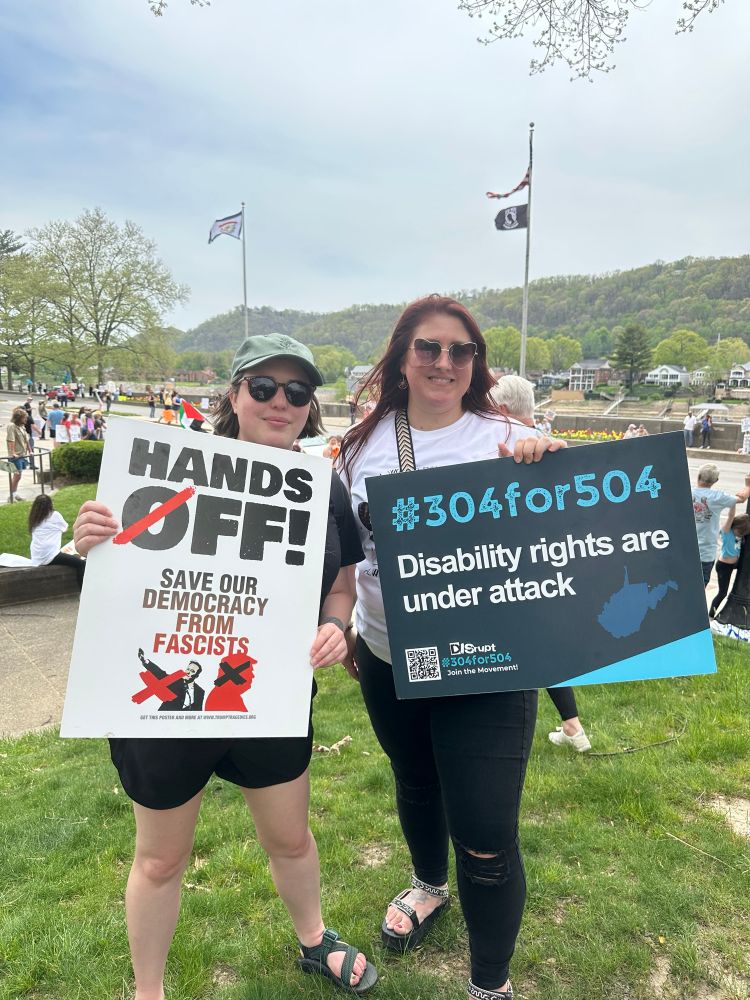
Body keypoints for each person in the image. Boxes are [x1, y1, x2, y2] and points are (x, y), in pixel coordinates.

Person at [72, 333, 377, 1000]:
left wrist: (335, 622)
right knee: (160, 859)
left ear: (310, 405)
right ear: (233, 396)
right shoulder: (169, 470)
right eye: (263, 387)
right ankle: (147, 991)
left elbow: (344, 585)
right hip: (164, 705)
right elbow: (120, 570)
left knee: (291, 841)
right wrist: (92, 536)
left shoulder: (322, 487)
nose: (280, 401)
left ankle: (313, 940)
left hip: (268, 695)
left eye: (297, 391)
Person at [338, 295, 565, 1000]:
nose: (444, 362)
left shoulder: (506, 435)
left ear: (476, 363)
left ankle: (488, 987)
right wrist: (345, 626)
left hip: (489, 666)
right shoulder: (359, 447)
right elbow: (348, 557)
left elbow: (568, 533)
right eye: (428, 348)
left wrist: (549, 463)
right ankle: (428, 884)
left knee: (489, 839)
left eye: (459, 350)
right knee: (415, 779)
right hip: (385, 654)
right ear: (402, 358)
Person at [491, 375, 591, 754]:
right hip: (549, 574)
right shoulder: (542, 451)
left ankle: (572, 726)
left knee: (537, 653)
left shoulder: (524, 451)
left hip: (519, 576)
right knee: (544, 652)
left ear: (500, 410)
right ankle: (571, 726)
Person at [692, 463, 750, 587]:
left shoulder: (687, 493)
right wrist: (748, 485)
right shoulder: (718, 497)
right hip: (706, 554)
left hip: (685, 552)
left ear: (699, 476)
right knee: (699, 590)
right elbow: (741, 499)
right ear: (716, 481)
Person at [28, 494, 85, 588]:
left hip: (36, 556)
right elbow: (65, 527)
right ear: (50, 505)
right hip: (51, 556)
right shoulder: (54, 515)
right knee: (81, 564)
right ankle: (83, 594)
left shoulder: (34, 518)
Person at [708, 513, 750, 618]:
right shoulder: (727, 533)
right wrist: (733, 503)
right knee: (722, 593)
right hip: (724, 567)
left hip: (733, 565)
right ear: (734, 526)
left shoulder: (739, 535)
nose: (741, 534)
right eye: (740, 532)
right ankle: (711, 615)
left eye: (743, 533)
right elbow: (730, 517)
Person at [6, 407, 32, 502]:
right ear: (19, 418)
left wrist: (30, 451)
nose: (26, 419)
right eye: (24, 417)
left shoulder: (22, 427)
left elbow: (27, 440)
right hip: (15, 455)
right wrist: (12, 452)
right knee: (17, 475)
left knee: (19, 475)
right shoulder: (12, 426)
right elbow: (10, 440)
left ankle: (14, 493)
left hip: (22, 455)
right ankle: (11, 496)